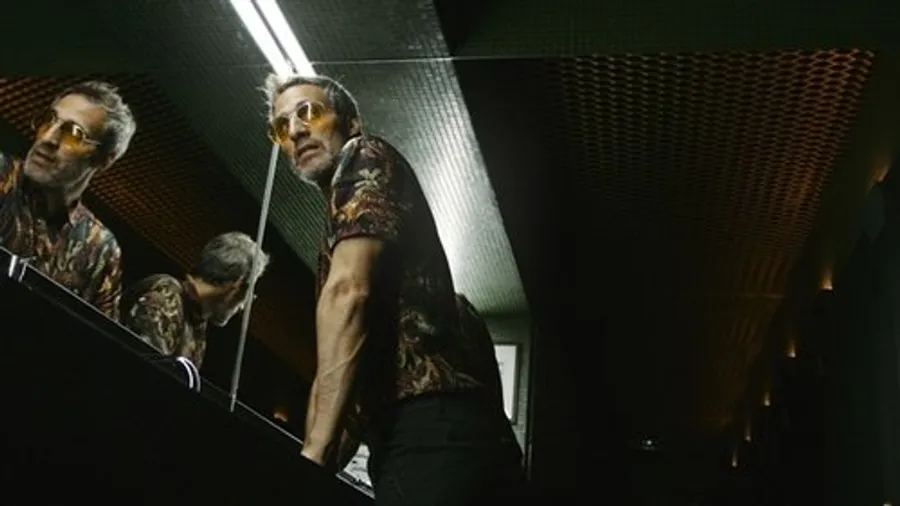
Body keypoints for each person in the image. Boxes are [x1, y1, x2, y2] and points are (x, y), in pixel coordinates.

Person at [263, 74, 527, 504]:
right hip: (443, 438)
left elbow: (349, 293)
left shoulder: (363, 154)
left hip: (432, 432)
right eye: (281, 126)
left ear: (351, 123)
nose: (294, 130)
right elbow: (351, 372)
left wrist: (313, 456)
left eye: (308, 112)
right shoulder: (340, 232)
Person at [0, 81, 136, 319]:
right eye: (48, 120)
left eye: (73, 133)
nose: (47, 138)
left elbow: (93, 338)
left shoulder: (100, 249)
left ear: (103, 159)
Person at [119, 232, 270, 370]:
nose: (243, 306)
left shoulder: (197, 321)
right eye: (249, 293)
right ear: (236, 283)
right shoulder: (165, 298)